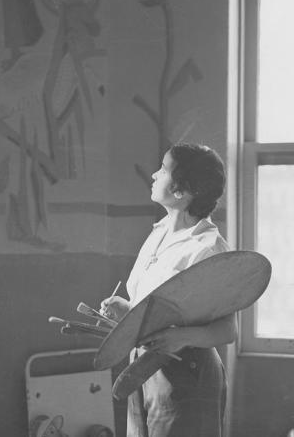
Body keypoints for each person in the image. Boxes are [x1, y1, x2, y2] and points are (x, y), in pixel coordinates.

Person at [100, 143, 236, 437]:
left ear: (181, 191)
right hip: (143, 369)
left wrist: (180, 338)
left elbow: (227, 330)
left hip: (188, 375)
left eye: (163, 170)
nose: (153, 174)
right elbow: (158, 309)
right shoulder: (159, 232)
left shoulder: (207, 248)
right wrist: (127, 310)